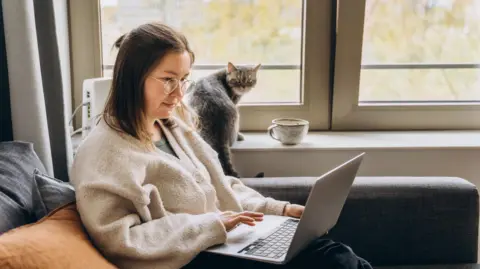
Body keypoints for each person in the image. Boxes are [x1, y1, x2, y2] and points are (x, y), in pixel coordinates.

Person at [70, 22, 372, 269]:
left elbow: (216, 185)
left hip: (222, 242)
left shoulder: (170, 124)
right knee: (332, 262)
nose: (178, 93)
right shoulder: (104, 152)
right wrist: (213, 225)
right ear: (132, 79)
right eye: (167, 79)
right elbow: (121, 241)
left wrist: (275, 209)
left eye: (184, 79)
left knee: (329, 252)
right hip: (188, 258)